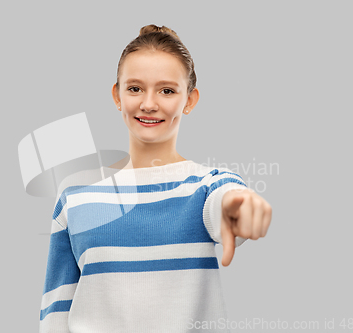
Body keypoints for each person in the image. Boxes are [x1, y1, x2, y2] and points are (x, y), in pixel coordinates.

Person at [39, 24, 272, 333]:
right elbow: (55, 313)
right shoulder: (76, 194)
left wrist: (239, 208)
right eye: (135, 88)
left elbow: (227, 200)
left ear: (189, 100)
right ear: (117, 95)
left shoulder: (206, 187)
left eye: (167, 90)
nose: (149, 104)